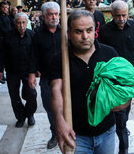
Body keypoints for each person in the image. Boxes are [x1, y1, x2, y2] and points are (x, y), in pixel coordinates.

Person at [49, 10, 129, 154]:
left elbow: (125, 88)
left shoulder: (109, 54)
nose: (85, 36)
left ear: (94, 31)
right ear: (69, 34)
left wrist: (123, 102)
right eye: (78, 31)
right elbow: (56, 92)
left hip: (107, 132)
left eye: (89, 30)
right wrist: (59, 120)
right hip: (75, 135)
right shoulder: (60, 59)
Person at [98, 0, 134, 154]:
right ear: (112, 15)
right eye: (118, 16)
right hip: (113, 79)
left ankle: (122, 126)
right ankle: (123, 141)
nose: (122, 19)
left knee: (126, 107)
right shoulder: (105, 31)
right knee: (117, 110)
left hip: (130, 78)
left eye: (124, 15)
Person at [0, 13, 37, 128]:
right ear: (15, 23)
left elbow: (36, 54)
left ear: (27, 23)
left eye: (23, 22)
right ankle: (20, 117)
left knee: (32, 94)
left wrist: (36, 70)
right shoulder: (8, 36)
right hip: (12, 70)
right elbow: (1, 54)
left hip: (28, 71)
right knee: (14, 96)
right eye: (18, 23)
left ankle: (30, 114)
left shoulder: (32, 35)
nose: (21, 25)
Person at [31, 2, 60, 149]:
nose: (54, 17)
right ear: (44, 16)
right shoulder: (38, 36)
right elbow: (33, 56)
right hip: (47, 78)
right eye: (50, 14)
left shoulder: (66, 32)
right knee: (50, 107)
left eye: (56, 14)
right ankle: (55, 133)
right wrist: (32, 74)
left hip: (66, 77)